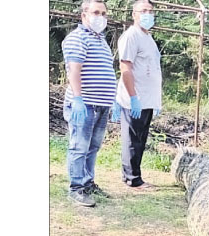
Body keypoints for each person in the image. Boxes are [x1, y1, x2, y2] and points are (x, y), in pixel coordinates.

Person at [61, 0, 116, 207]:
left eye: (103, 13)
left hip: (101, 104)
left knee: (93, 147)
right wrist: (77, 98)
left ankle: (87, 182)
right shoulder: (77, 38)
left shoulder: (101, 40)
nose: (100, 17)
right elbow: (74, 70)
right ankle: (76, 187)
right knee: (79, 147)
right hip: (85, 105)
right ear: (84, 15)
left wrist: (113, 100)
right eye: (96, 12)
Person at [111, 0, 162, 191]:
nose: (148, 14)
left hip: (147, 99)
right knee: (132, 139)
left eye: (150, 11)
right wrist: (133, 97)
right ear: (134, 14)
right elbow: (125, 67)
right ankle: (133, 178)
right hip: (136, 98)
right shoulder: (131, 36)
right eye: (143, 11)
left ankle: (132, 175)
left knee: (140, 138)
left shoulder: (147, 37)